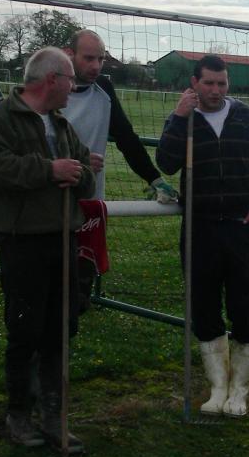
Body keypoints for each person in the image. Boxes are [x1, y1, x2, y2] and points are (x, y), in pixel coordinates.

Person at [0, 46, 96, 450]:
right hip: (22, 241)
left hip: (64, 239)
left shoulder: (62, 126)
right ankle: (19, 416)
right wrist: (49, 171)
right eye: (71, 80)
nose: (74, 88)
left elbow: (85, 180)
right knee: (25, 329)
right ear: (51, 81)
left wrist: (76, 173)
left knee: (60, 330)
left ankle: (54, 417)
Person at [156, 54, 249, 417]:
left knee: (244, 309)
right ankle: (217, 388)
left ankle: (239, 392)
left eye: (221, 83)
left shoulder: (247, 116)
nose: (215, 90)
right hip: (200, 227)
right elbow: (166, 162)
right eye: (208, 83)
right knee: (205, 309)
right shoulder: (184, 118)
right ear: (194, 82)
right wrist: (179, 117)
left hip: (242, 229)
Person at [61, 29, 179, 311]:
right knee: (51, 287)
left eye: (100, 59)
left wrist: (154, 180)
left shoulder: (104, 90)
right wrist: (77, 160)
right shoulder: (50, 87)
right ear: (69, 55)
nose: (95, 66)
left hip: (89, 202)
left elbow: (126, 137)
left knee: (79, 291)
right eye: (88, 58)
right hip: (48, 200)